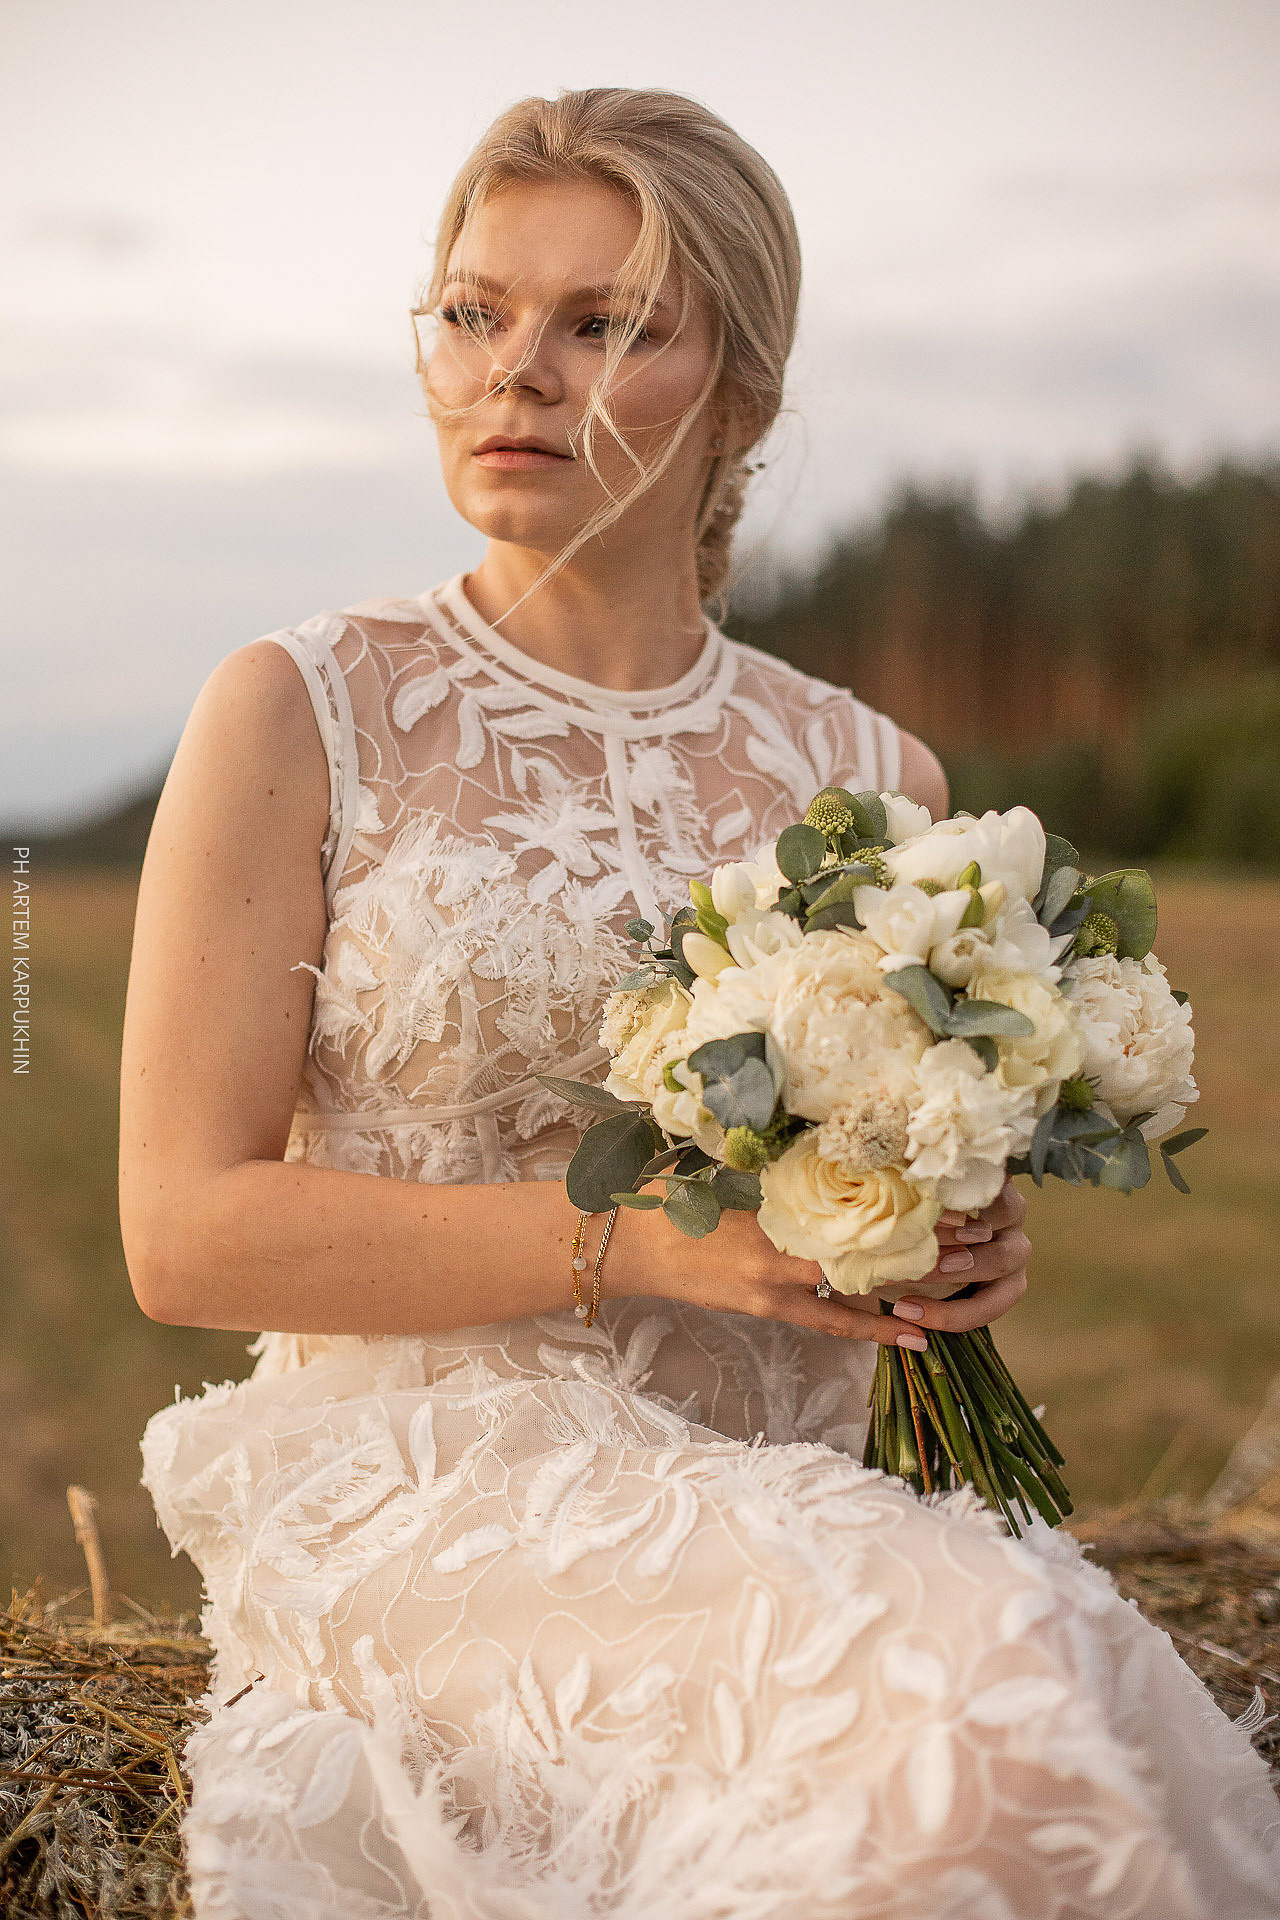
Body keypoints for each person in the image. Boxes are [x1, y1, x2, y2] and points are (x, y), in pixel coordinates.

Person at [120, 86, 1279, 1920]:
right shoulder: (300, 710)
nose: (516, 372)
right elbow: (185, 1236)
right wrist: (644, 1249)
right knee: (966, 1727)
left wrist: (952, 1242)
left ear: (738, 393)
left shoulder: (866, 767)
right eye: (476, 310)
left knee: (1059, 1695)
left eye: (604, 325)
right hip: (434, 1485)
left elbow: (894, 1165)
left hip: (792, 1473)